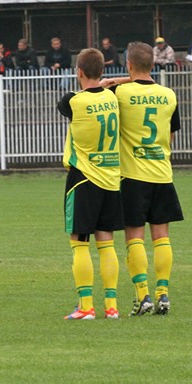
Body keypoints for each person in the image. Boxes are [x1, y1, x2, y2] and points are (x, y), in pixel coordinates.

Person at [105, 42, 183, 317]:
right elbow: (172, 134)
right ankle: (163, 294)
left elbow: (98, 86)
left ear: (127, 64)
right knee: (161, 236)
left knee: (133, 237)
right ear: (153, 64)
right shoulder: (169, 95)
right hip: (161, 173)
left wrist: (120, 78)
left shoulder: (120, 91)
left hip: (132, 175)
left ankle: (142, 296)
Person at [56, 47, 124, 320]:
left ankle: (85, 307)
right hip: (110, 178)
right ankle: (111, 306)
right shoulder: (112, 98)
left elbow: (69, 101)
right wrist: (105, 84)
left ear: (79, 72)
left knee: (79, 243)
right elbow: (105, 89)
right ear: (103, 72)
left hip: (83, 178)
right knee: (106, 243)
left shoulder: (72, 101)